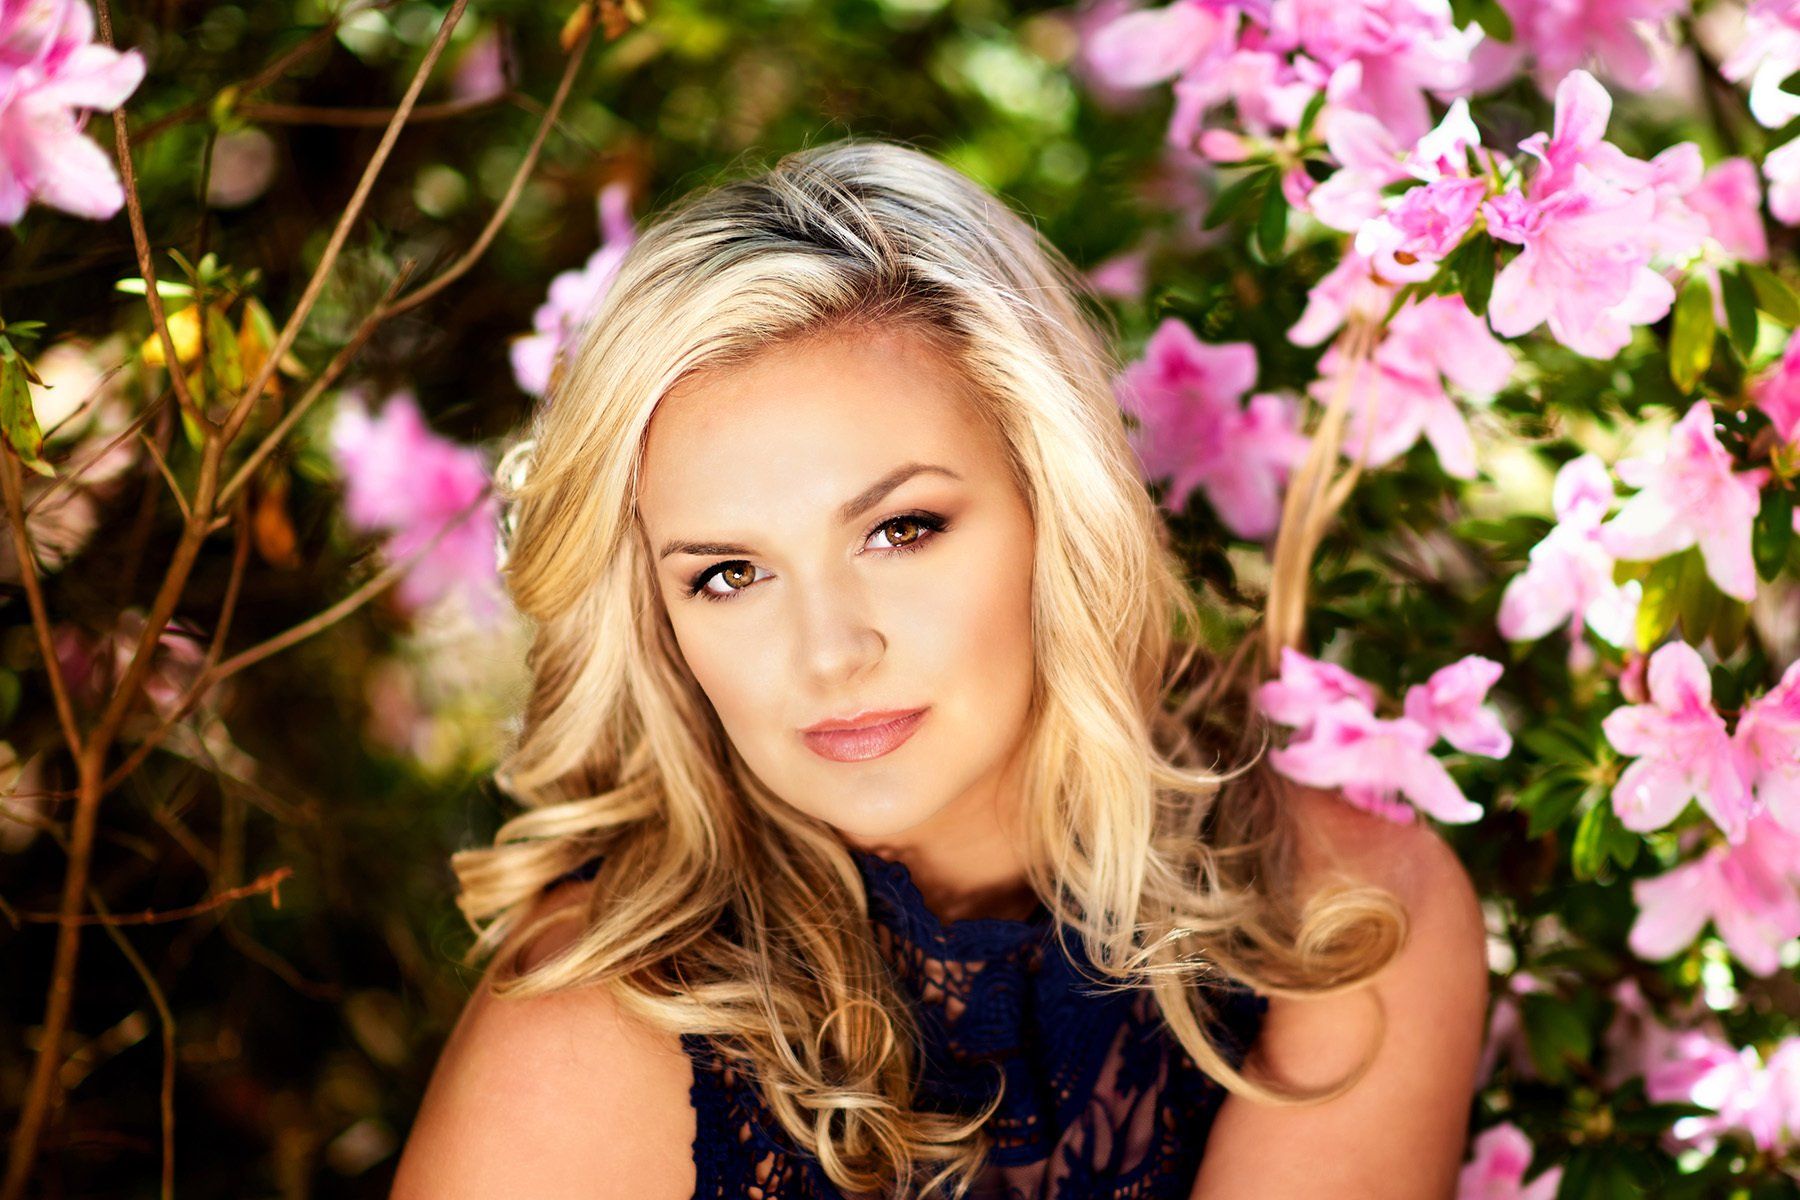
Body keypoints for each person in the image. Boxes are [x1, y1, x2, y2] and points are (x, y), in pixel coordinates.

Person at [390, 137, 1489, 1199]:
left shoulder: (1344, 917)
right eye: (728, 574)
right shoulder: (590, 1040)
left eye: (900, 530)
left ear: (1058, 505)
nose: (829, 653)